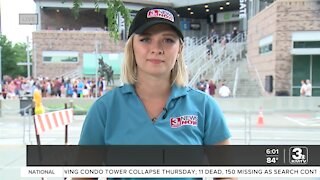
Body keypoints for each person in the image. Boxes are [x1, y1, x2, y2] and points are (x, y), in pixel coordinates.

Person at [78, 6, 233, 180]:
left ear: (180, 48)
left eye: (168, 40)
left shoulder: (205, 107)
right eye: (145, 39)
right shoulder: (104, 110)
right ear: (132, 47)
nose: (157, 48)